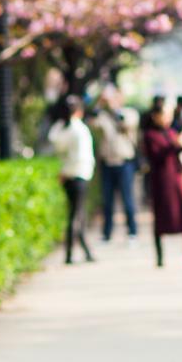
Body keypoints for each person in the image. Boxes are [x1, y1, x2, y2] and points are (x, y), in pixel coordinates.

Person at [143, 101, 182, 268]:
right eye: (164, 115)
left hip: (177, 178)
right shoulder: (150, 135)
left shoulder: (171, 131)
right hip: (161, 181)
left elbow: (178, 151)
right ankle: (160, 258)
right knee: (161, 219)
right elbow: (157, 154)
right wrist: (176, 144)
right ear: (155, 116)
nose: (167, 118)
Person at [48, 95, 95, 265]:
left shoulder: (63, 129)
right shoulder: (79, 130)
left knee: (75, 213)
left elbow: (53, 139)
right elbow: (81, 158)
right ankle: (71, 253)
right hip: (78, 175)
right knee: (76, 215)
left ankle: (83, 251)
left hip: (68, 175)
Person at [89, 86, 140, 245]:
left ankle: (132, 232)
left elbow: (124, 123)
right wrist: (99, 103)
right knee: (107, 200)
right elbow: (92, 122)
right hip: (107, 163)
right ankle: (107, 233)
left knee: (127, 199)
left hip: (124, 163)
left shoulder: (130, 113)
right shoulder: (102, 116)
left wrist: (113, 108)